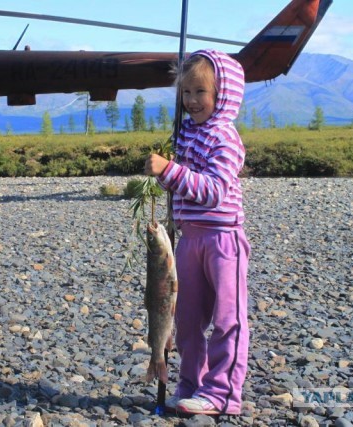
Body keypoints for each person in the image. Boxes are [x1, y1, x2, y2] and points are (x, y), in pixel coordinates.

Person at [144, 49, 251, 416]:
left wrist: (169, 172)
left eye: (200, 92)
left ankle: (222, 394)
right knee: (186, 319)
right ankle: (191, 384)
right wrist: (166, 174)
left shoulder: (225, 137)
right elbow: (183, 187)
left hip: (223, 241)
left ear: (223, 94)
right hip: (189, 238)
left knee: (227, 320)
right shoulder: (186, 133)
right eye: (186, 92)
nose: (191, 101)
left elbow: (212, 190)